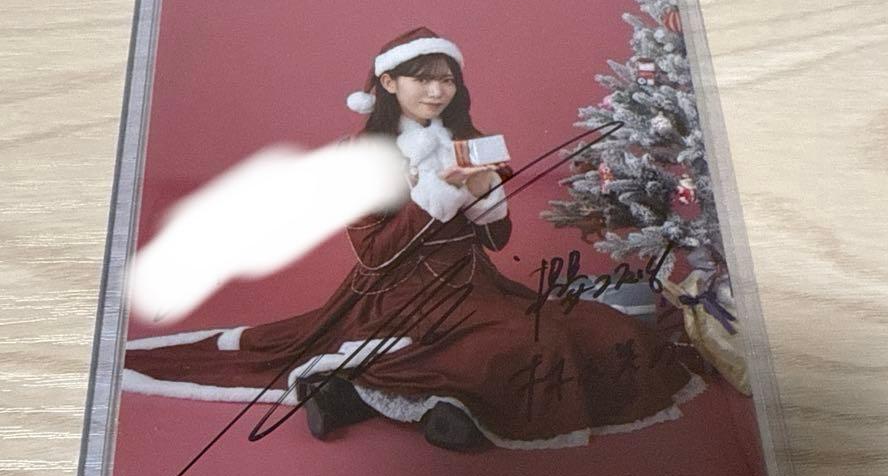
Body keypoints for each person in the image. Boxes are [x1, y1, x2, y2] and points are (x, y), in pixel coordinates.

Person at [123, 27, 706, 450]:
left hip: (474, 286)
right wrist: (437, 196)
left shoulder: (468, 139)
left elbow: (497, 239)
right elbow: (373, 255)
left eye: (446, 79)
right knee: (520, 343)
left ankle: (364, 395)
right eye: (422, 78)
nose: (436, 90)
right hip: (395, 294)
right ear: (388, 81)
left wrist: (486, 195)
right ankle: (393, 396)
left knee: (595, 327)